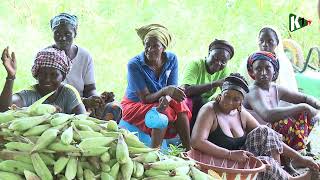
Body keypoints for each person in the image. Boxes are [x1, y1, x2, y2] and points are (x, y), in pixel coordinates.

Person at [191, 73, 320, 180]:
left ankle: (281, 171)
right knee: (264, 161)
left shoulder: (241, 113)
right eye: (227, 96)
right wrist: (230, 154)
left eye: (236, 99)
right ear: (220, 95)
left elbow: (271, 138)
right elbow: (197, 141)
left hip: (239, 159)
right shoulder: (210, 110)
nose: (230, 102)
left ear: (241, 102)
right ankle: (290, 179)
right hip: (218, 163)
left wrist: (300, 158)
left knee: (264, 131)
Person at [120, 24, 191, 150]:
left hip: (160, 97)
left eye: (155, 46)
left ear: (163, 48)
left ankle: (188, 149)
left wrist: (167, 98)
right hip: (135, 104)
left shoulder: (171, 59)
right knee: (165, 111)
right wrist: (165, 92)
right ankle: (154, 153)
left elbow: (172, 88)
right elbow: (145, 98)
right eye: (147, 45)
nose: (149, 49)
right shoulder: (134, 65)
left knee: (180, 104)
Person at [49, 13, 121, 121]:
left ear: (75, 33)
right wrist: (84, 101)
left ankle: (99, 135)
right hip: (58, 104)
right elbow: (50, 92)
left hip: (83, 104)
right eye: (57, 33)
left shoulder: (84, 56)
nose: (62, 38)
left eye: (67, 34)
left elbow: (90, 89)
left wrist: (97, 99)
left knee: (114, 108)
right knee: (55, 110)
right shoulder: (47, 56)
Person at [0, 47, 86, 114]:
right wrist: (11, 76)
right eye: (42, 74)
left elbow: (82, 119)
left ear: (63, 77)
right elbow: (4, 109)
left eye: (54, 75)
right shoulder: (29, 94)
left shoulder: (68, 93)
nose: (47, 79)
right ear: (36, 75)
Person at [181, 39, 233, 131]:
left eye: (223, 61)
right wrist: (214, 84)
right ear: (209, 53)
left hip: (204, 104)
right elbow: (186, 91)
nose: (218, 63)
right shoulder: (195, 65)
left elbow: (227, 92)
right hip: (186, 102)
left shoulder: (224, 71)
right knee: (198, 101)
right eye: (215, 58)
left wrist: (219, 97)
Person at [238, 26, 298, 91]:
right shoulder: (249, 62)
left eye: (270, 41)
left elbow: (291, 90)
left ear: (277, 43)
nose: (265, 44)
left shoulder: (284, 64)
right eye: (261, 41)